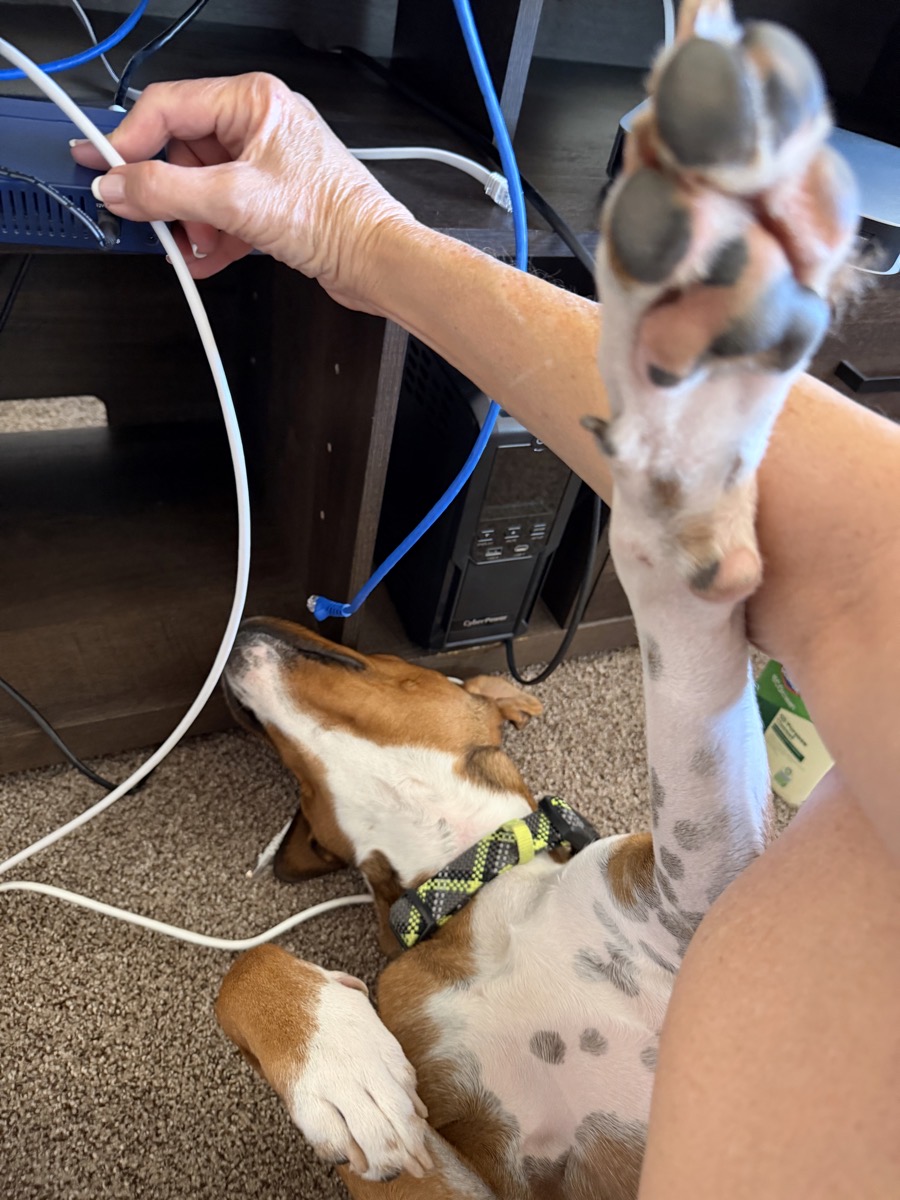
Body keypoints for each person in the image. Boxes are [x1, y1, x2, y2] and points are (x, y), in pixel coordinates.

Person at [73, 74, 900, 1199]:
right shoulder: (430, 980)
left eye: (364, 657)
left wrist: (269, 991)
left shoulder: (420, 995)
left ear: (502, 707)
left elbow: (860, 589)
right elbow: (731, 869)